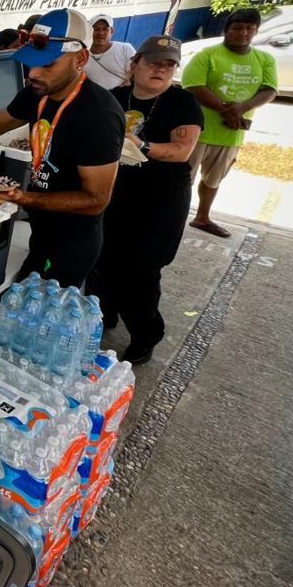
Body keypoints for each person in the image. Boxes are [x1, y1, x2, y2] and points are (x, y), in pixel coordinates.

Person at [0, 9, 125, 288]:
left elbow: (96, 199)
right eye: (31, 63)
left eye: (47, 64)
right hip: (42, 230)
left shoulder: (99, 114)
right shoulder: (37, 91)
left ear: (81, 59)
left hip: (72, 241)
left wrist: (23, 198)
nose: (33, 74)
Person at [88, 35, 203, 365]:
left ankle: (145, 334)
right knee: (104, 258)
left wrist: (143, 146)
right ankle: (105, 315)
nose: (161, 70)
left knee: (140, 272)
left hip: (160, 201)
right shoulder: (115, 97)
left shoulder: (183, 103)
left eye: (169, 65)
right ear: (134, 64)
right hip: (116, 193)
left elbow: (182, 151)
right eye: (154, 62)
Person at [182, 7, 279, 238]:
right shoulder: (207, 55)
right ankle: (175, 216)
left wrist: (242, 108)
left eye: (249, 28)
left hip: (231, 134)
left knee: (213, 180)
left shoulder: (264, 59)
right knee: (183, 179)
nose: (243, 33)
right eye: (238, 28)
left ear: (255, 32)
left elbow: (270, 90)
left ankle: (202, 218)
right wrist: (227, 110)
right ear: (227, 30)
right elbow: (193, 85)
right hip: (198, 130)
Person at [84, 14, 135, 90]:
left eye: (105, 29)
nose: (101, 33)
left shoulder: (125, 49)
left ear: (112, 31)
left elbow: (136, 74)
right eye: (96, 29)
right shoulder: (82, 55)